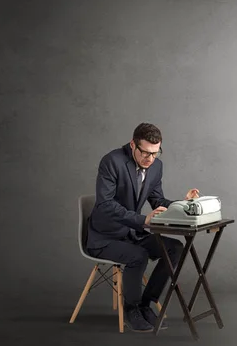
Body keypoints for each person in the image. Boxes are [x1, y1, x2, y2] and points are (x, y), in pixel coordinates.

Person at [86, 122, 200, 332]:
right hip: (105, 237)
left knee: (174, 248)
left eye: (155, 153)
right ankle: (131, 309)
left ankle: (146, 303)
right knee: (137, 255)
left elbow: (157, 200)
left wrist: (182, 204)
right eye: (145, 153)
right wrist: (143, 220)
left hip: (132, 233)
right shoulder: (112, 161)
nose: (150, 158)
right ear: (133, 145)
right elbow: (105, 205)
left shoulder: (156, 166)